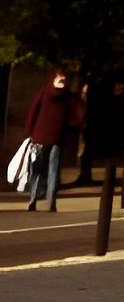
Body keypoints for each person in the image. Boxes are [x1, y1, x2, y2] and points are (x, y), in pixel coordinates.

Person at [18, 72, 80, 211]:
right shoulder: (67, 97)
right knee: (53, 170)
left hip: (40, 137)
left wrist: (29, 133)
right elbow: (72, 118)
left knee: (38, 169)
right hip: (57, 138)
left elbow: (32, 113)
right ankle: (51, 201)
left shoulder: (43, 93)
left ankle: (33, 199)